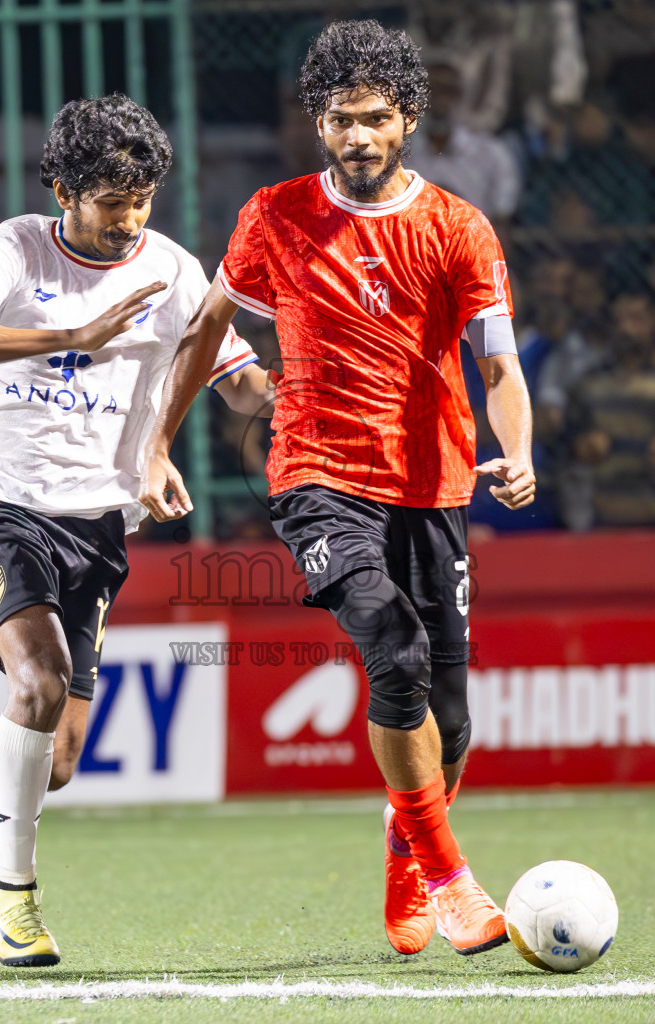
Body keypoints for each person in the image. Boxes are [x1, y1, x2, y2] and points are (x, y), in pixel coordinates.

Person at [140, 20, 534, 958]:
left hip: (433, 482)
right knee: (392, 650)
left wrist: (518, 451)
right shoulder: (274, 215)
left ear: (408, 121)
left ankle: (407, 846)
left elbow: (500, 366)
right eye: (341, 119)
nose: (358, 136)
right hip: (318, 475)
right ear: (317, 122)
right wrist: (157, 444)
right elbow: (206, 330)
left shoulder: (457, 227)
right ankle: (451, 879)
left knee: (450, 719)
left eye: (376, 118)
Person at [0, 93, 276, 968]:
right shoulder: (16, 248)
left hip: (97, 524)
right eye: (112, 201)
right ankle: (13, 909)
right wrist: (75, 332)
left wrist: (310, 391)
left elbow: (238, 381)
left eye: (142, 200)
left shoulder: (174, 270)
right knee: (40, 681)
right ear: (64, 190)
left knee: (56, 760)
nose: (129, 219)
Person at [568, 289, 655, 528]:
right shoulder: (591, 380)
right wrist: (584, 446)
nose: (626, 328)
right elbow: (568, 440)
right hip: (611, 511)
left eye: (636, 319)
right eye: (619, 320)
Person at [412, 64, 521, 233]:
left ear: (461, 96)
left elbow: (501, 221)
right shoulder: (398, 154)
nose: (440, 98)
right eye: (431, 90)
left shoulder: (491, 154)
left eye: (449, 91)